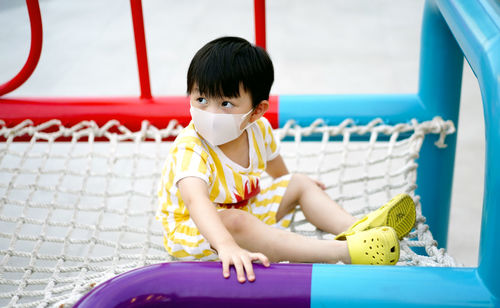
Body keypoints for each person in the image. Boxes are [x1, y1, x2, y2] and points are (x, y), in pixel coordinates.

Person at [157, 36, 416, 283]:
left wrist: (291, 189)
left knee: (299, 182)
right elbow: (196, 200)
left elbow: (276, 168)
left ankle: (358, 230)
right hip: (193, 229)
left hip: (244, 210)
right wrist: (225, 246)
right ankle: (346, 252)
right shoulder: (191, 148)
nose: (210, 113)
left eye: (226, 104)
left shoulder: (258, 131)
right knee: (236, 221)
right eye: (200, 99)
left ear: (256, 111)